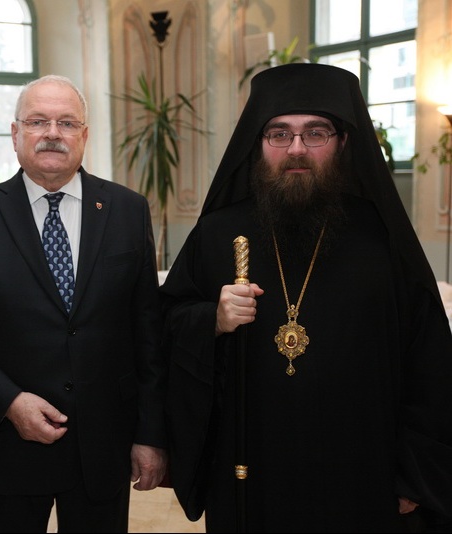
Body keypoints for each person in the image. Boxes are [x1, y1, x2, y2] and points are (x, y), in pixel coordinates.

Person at [160, 63, 452, 532]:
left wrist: (413, 473)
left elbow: (429, 362)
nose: (296, 148)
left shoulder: (382, 239)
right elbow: (165, 322)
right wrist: (210, 319)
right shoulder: (218, 233)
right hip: (249, 470)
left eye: (315, 133)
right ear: (258, 144)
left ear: (343, 142)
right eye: (279, 134)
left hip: (362, 473)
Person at [0, 74, 168, 532]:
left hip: (103, 449)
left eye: (67, 123)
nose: (53, 133)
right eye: (38, 121)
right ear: (15, 133)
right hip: (6, 448)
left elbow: (147, 332)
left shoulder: (127, 211)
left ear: (84, 135)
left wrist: (150, 434)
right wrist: (9, 401)